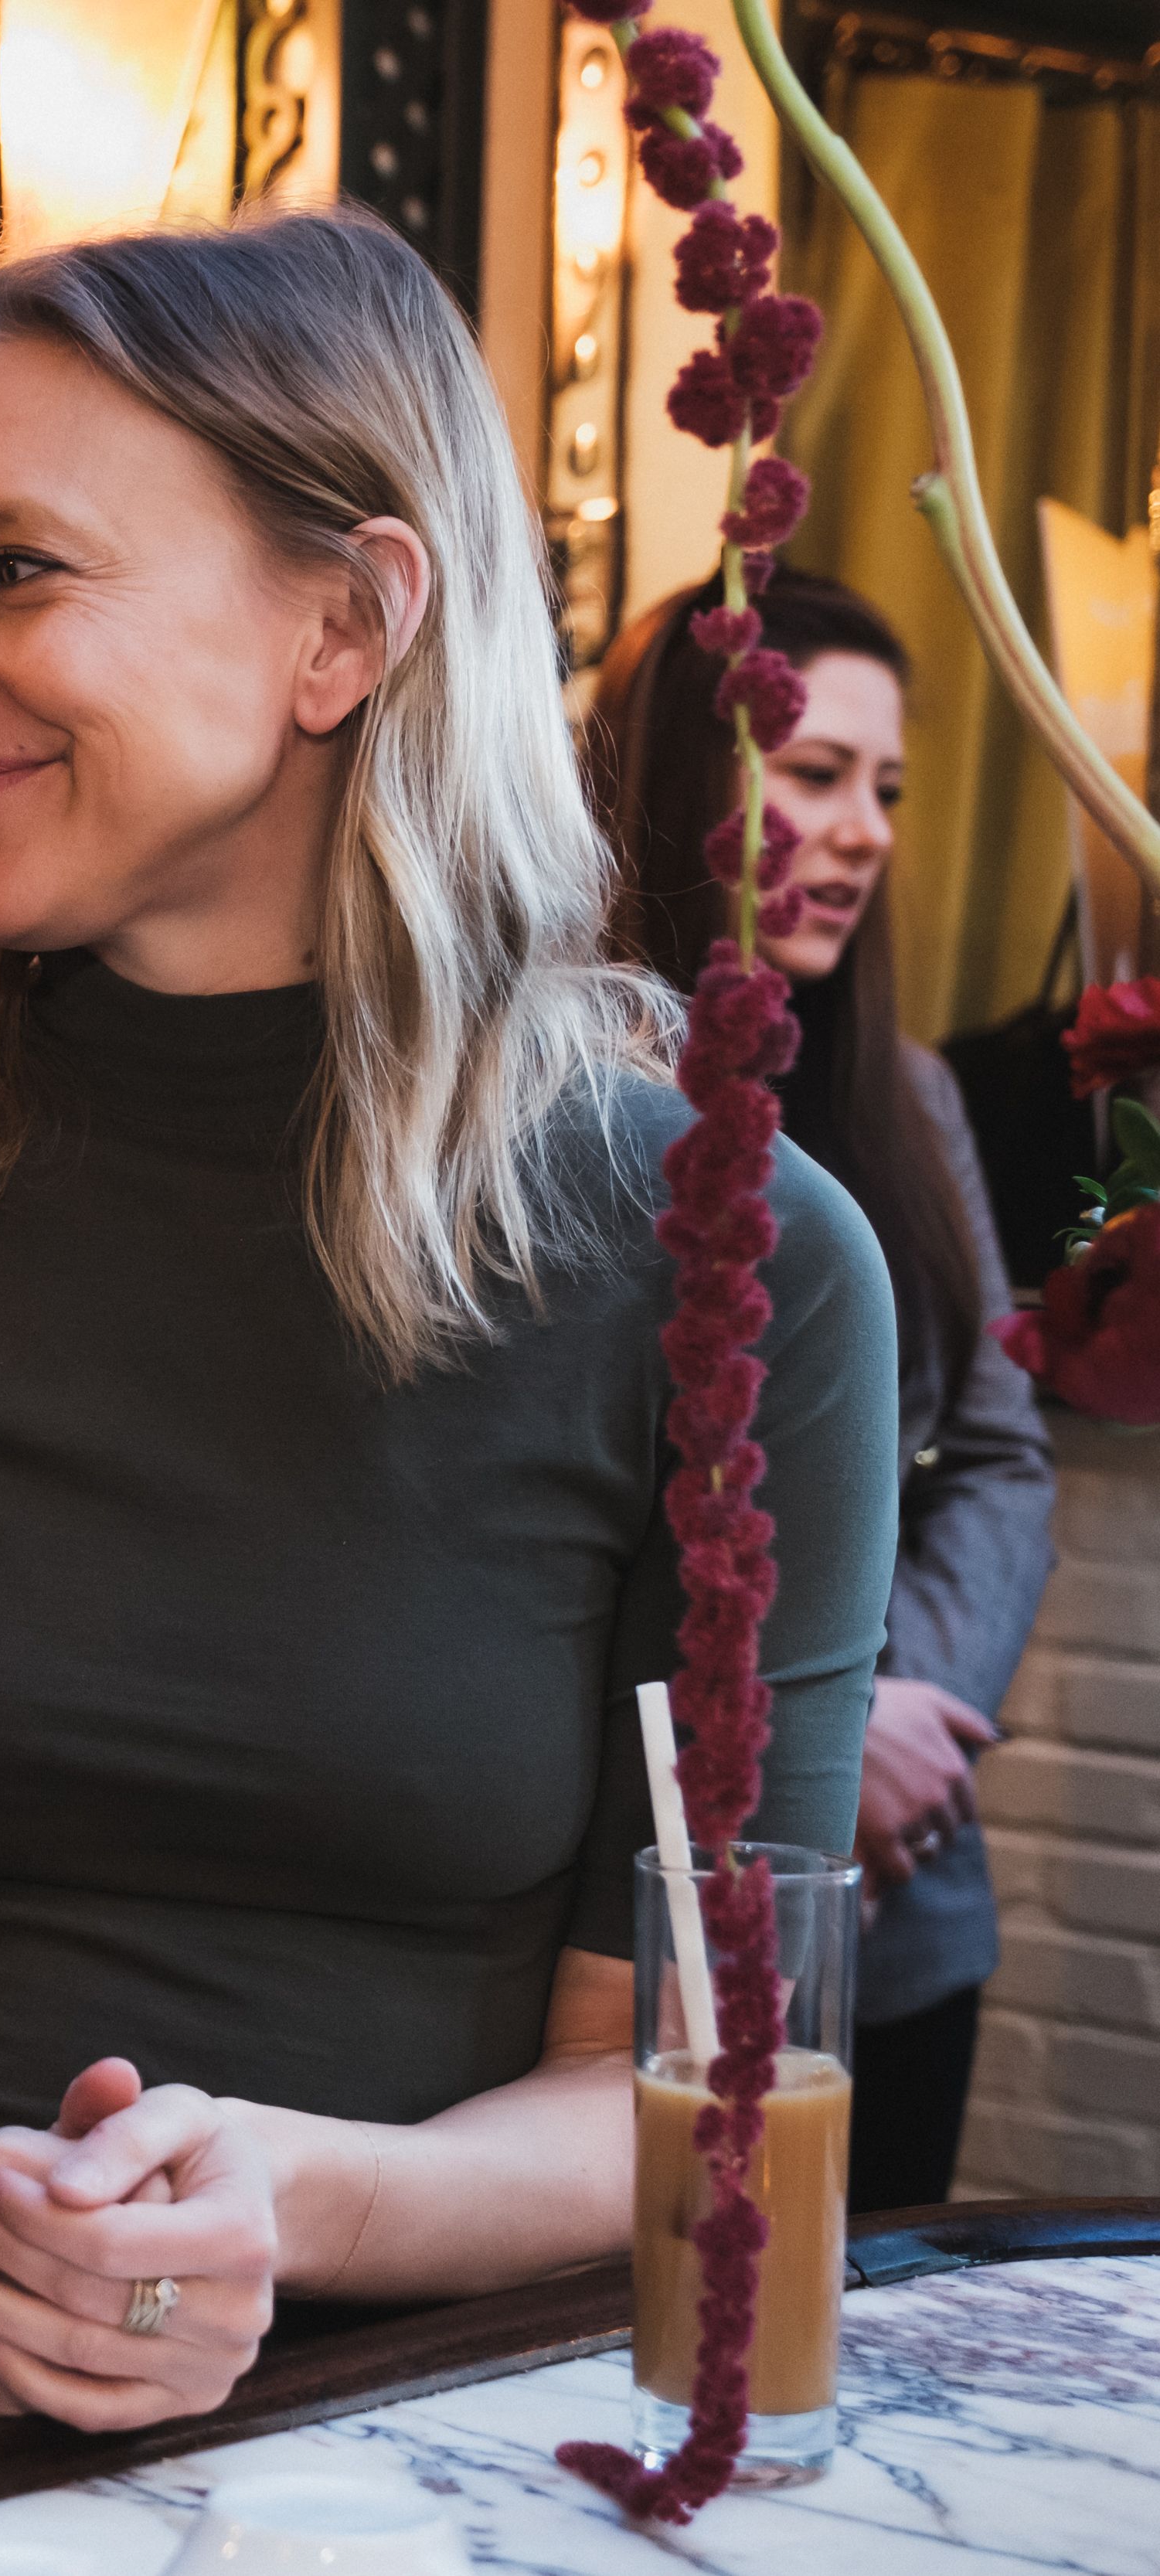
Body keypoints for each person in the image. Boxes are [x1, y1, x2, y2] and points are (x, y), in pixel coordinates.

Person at [0, 209, 896, 2443]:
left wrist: (302, 2200)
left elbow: (707, 2076)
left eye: (17, 571)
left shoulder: (732, 1267)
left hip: (415, 2455)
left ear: (344, 622)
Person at [596, 567, 1055, 2212]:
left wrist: (895, 1715)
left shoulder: (907, 1092)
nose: (860, 828)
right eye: (809, 773)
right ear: (678, 779)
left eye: (886, 789)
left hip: (893, 1917)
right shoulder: (555, 1092)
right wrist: (821, 1730)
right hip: (614, 1925)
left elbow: (995, 1457)